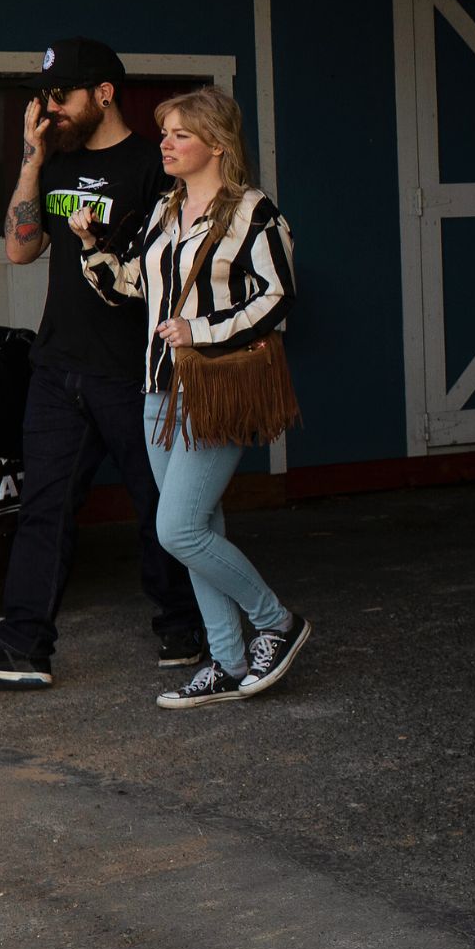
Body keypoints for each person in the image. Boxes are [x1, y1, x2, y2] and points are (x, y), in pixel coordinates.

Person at [0, 38, 205, 690]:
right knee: (44, 508)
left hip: (134, 370)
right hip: (58, 366)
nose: (49, 106)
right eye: (44, 96)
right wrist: (32, 161)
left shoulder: (154, 166)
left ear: (103, 94)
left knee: (161, 507)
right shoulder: (54, 165)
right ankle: (22, 646)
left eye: (61, 95)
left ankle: (183, 627)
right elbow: (21, 250)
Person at [73, 86, 310, 709]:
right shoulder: (165, 208)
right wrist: (93, 248)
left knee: (177, 529)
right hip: (159, 389)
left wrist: (200, 330)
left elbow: (279, 297)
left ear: (218, 143)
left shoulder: (255, 213)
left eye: (180, 134)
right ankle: (228, 662)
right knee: (200, 526)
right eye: (165, 133)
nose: (166, 144)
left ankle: (276, 621)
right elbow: (134, 288)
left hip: (218, 389)